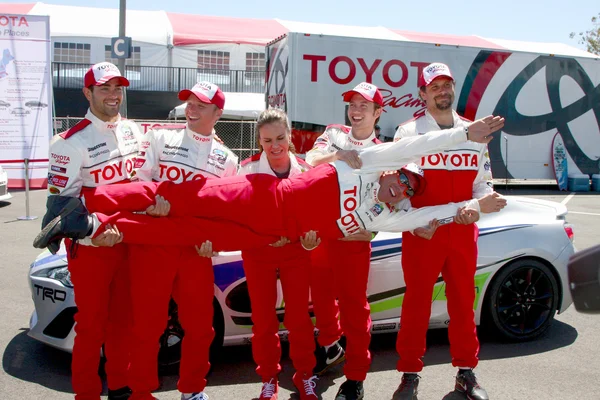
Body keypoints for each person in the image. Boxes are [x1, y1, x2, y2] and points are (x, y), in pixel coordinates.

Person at [35, 112, 504, 256]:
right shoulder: (363, 162)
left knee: (183, 235)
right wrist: (464, 134)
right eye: (403, 176)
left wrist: (477, 206)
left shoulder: (388, 215)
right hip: (256, 194)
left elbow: (428, 215)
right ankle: (80, 199)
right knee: (171, 196)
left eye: (409, 187)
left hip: (266, 236)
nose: (403, 183)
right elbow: (409, 150)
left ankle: (89, 224)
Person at [392, 63, 507, 400]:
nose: (442, 91)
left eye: (447, 85)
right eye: (434, 86)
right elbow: (395, 190)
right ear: (422, 94)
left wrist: (477, 205)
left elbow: (483, 184)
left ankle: (466, 373)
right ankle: (409, 374)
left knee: (462, 305)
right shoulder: (407, 133)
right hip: (422, 235)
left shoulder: (475, 133)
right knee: (415, 306)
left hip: (461, 234)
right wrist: (412, 222)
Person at [127, 81, 238, 400]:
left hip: (194, 252)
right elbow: (139, 180)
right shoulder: (160, 136)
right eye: (189, 102)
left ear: (217, 112)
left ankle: (192, 389)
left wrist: (213, 241)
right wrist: (150, 204)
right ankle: (141, 390)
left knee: (202, 328)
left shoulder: (227, 159)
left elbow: (225, 213)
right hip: (155, 244)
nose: (191, 108)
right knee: (148, 325)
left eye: (200, 105)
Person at [43, 61, 140, 400]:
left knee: (124, 322)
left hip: (129, 243)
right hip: (92, 248)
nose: (113, 95)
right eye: (105, 88)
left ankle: (120, 388)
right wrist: (95, 229)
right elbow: (59, 210)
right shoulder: (67, 142)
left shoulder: (134, 130)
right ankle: (86, 393)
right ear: (88, 92)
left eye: (117, 88)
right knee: (91, 327)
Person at [234, 108, 320, 399]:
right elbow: (236, 217)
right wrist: (265, 238)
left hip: (296, 253)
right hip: (259, 253)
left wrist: (308, 239)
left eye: (280, 138)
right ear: (259, 140)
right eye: (267, 140)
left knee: (299, 318)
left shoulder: (307, 171)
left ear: (291, 134)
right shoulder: (245, 169)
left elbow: (315, 221)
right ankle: (268, 377)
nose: (275, 146)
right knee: (263, 319)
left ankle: (305, 374)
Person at [304, 82, 383, 400]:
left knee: (354, 308)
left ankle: (356, 377)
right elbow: (310, 159)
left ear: (378, 112)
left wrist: (373, 229)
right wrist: (339, 154)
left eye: (364, 104)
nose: (356, 109)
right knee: (320, 301)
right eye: (352, 103)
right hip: (321, 235)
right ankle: (331, 347)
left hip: (354, 238)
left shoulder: (383, 151)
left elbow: (387, 199)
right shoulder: (333, 132)